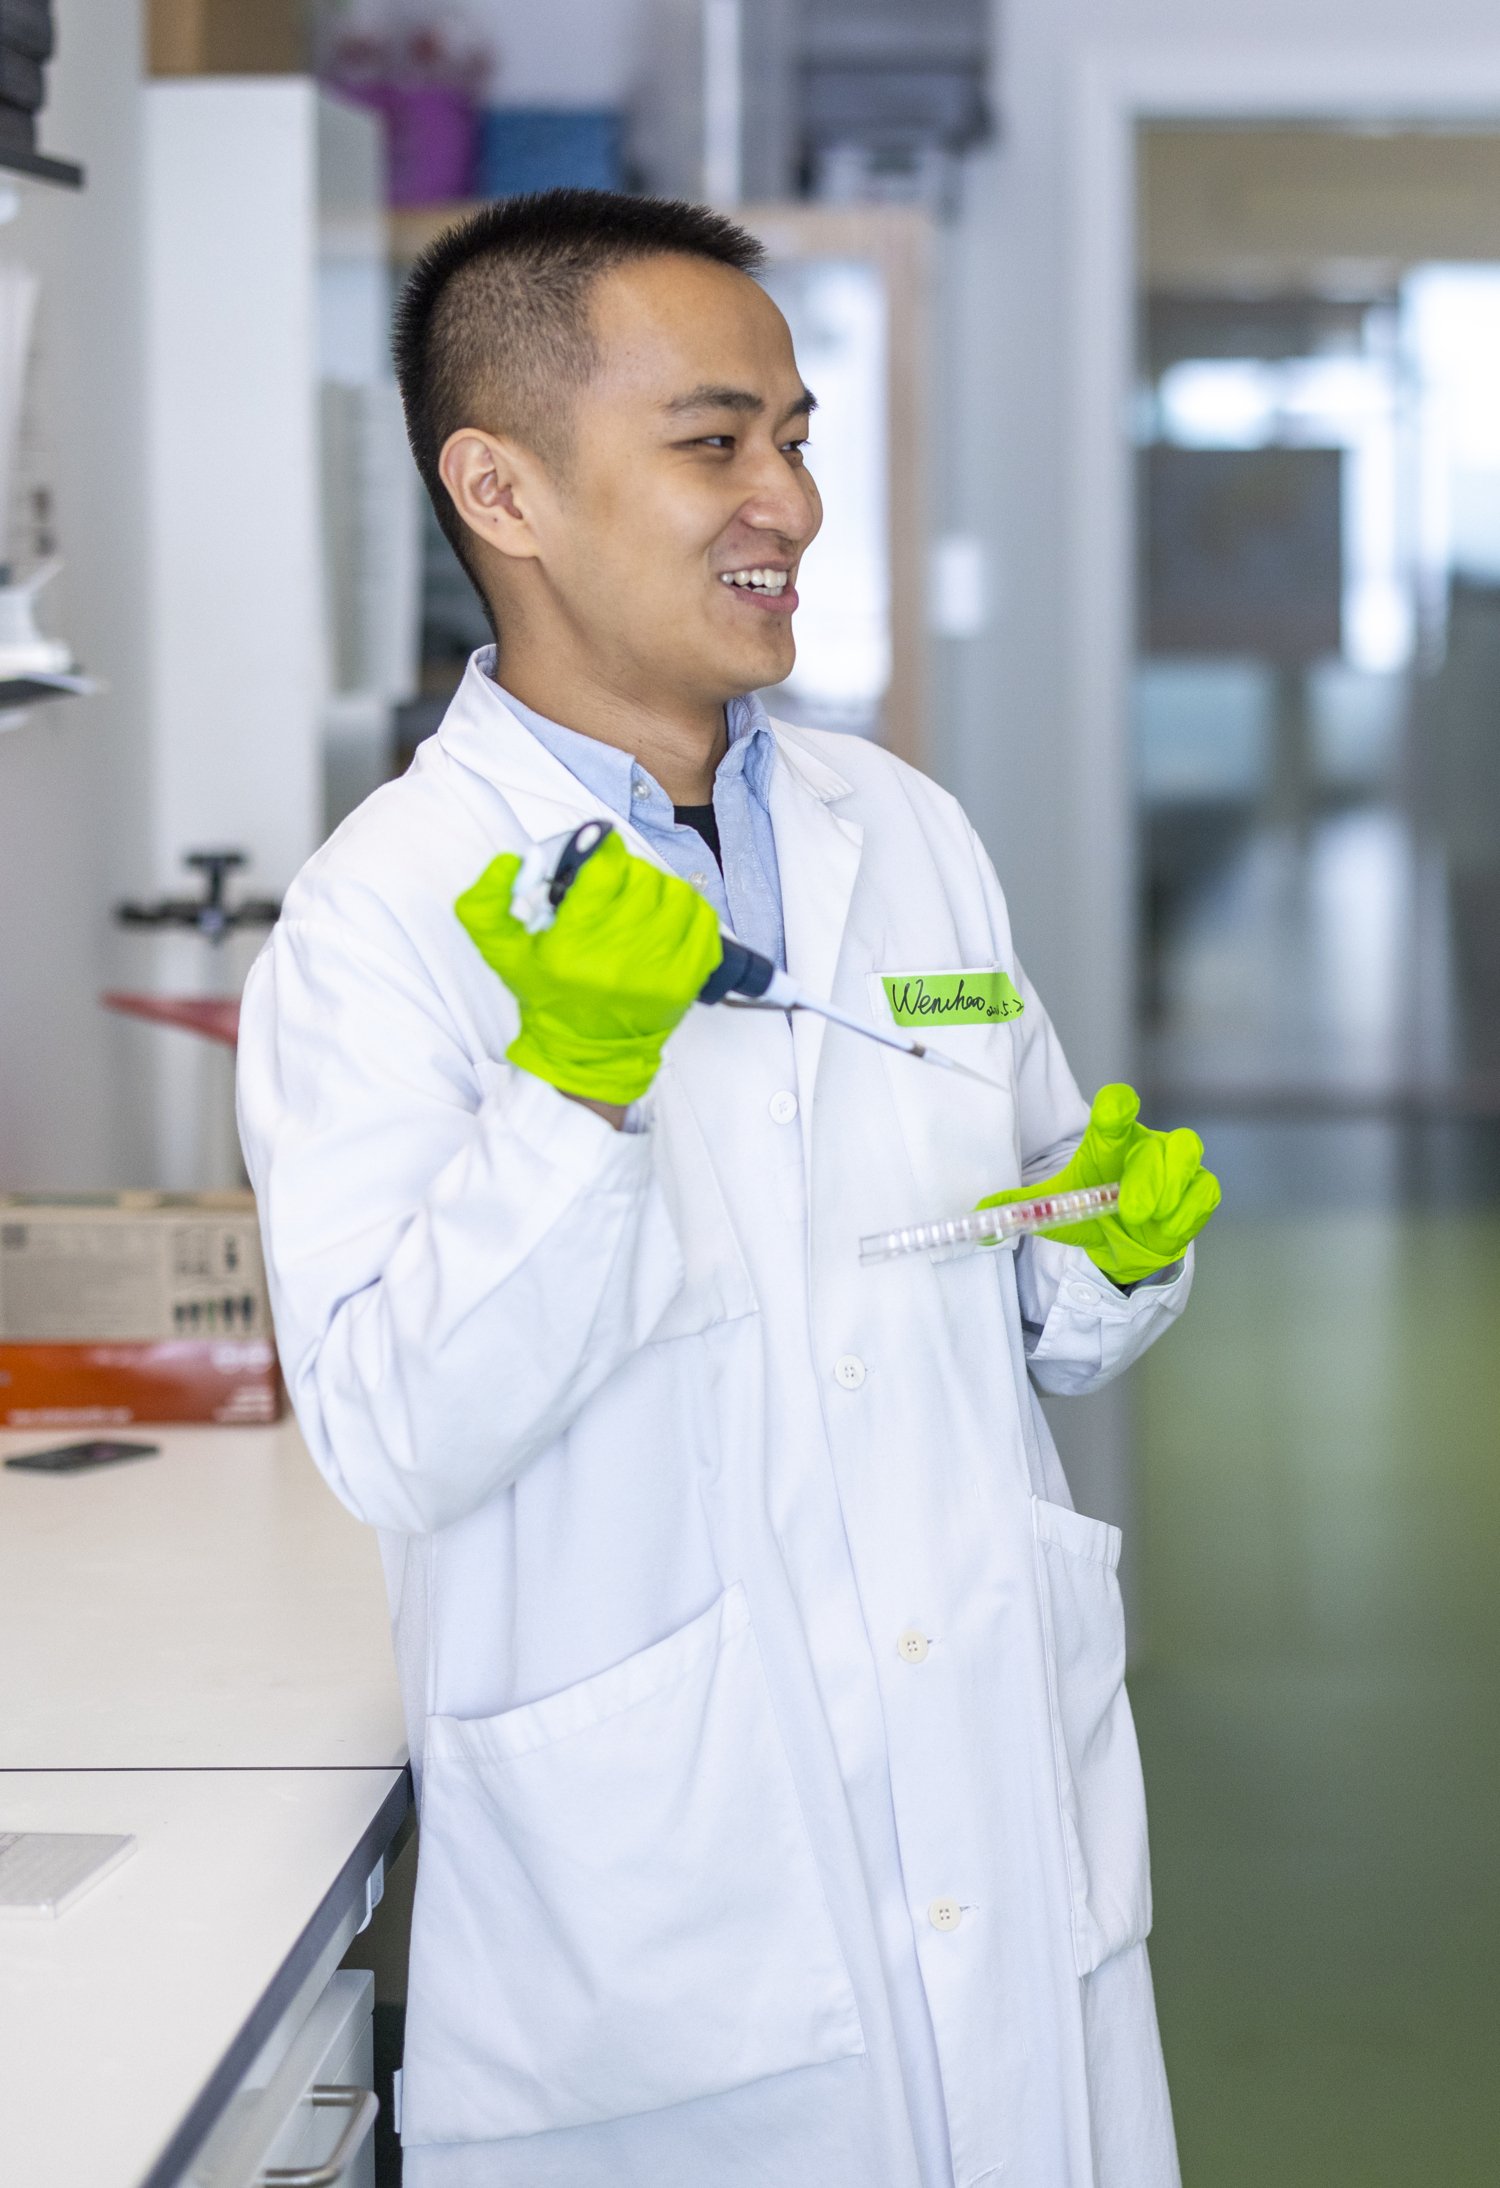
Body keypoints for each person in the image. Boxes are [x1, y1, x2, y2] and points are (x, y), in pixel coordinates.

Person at [237, 188, 1218, 2188]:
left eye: (796, 435)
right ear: (499, 484)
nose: (786, 499)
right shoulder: (382, 918)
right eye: (712, 441)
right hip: (672, 1945)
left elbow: (1004, 1254)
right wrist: (568, 1092)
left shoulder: (903, 828)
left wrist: (1094, 1262)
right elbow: (394, 1431)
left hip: (1006, 1865)